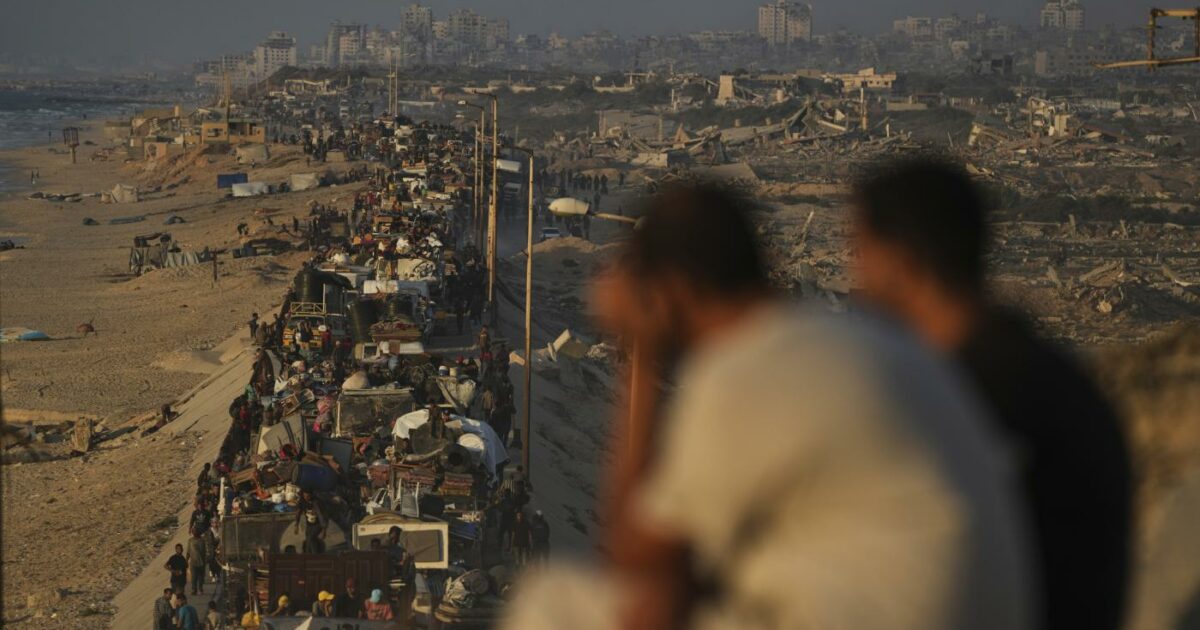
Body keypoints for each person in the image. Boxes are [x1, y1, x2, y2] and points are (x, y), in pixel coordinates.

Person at [502, 183, 1034, 630]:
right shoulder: (861, 339)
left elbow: (634, 559)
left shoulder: (745, 373)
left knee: (555, 604)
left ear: (670, 288)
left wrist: (638, 349)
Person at [851, 157, 1133, 630]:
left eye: (859, 251)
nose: (854, 275)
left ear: (900, 260)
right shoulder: (1045, 369)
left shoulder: (972, 392)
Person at [186, 529, 208, 595]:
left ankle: (200, 589)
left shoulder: (202, 540)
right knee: (194, 576)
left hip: (201, 561)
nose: (194, 533)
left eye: (196, 531)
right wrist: (186, 560)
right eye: (193, 532)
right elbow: (188, 551)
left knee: (201, 576)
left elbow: (205, 551)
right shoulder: (190, 541)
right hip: (193, 561)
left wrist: (206, 560)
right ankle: (194, 589)